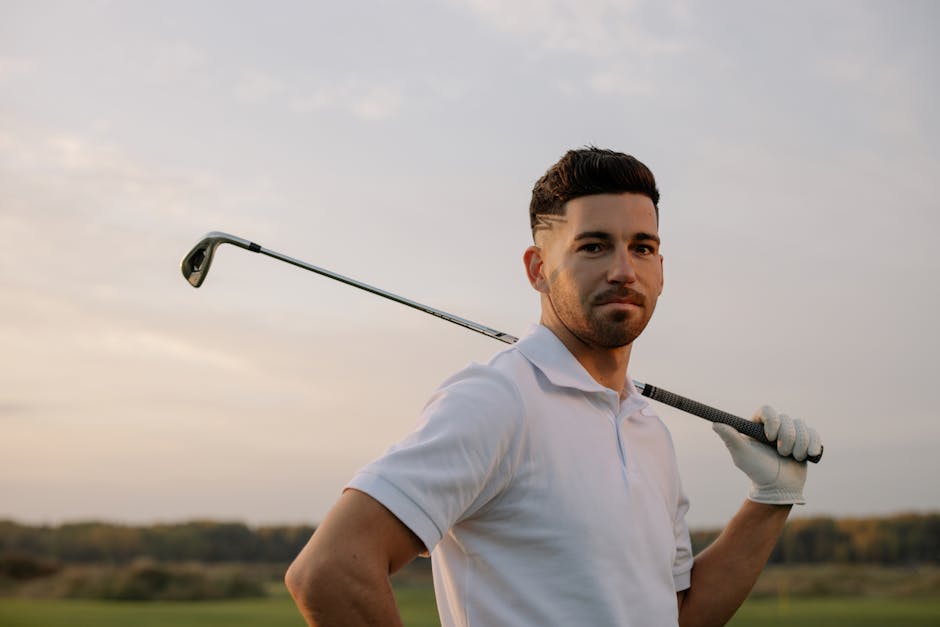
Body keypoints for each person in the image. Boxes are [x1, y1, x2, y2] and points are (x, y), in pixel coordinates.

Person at [285, 147, 823, 627]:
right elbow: (329, 572)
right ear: (538, 268)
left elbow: (679, 613)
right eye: (593, 247)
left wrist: (770, 502)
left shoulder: (649, 430)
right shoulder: (496, 400)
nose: (623, 270)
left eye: (641, 247)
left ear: (661, 268)